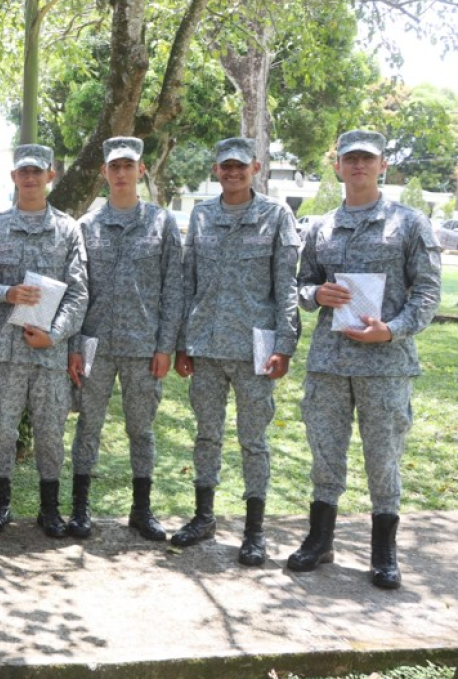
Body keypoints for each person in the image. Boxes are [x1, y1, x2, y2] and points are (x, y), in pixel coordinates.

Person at [287, 130, 442, 588]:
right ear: (337, 166)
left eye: (366, 159)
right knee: (325, 452)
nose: (358, 166)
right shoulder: (320, 226)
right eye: (350, 158)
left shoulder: (409, 223)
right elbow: (301, 284)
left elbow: (429, 291)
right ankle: (320, 540)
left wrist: (392, 329)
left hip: (386, 362)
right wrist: (316, 292)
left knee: (383, 457)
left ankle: (384, 553)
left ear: (382, 166)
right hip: (330, 362)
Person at [173, 137, 300, 566]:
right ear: (216, 170)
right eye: (225, 166)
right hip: (206, 346)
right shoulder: (202, 215)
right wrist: (180, 343)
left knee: (253, 440)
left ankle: (254, 531)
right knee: (207, 435)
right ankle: (204, 517)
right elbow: (186, 282)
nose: (233, 173)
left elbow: (285, 286)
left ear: (256, 167)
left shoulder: (276, 215)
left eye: (240, 166)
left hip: (255, 349)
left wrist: (285, 344)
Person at [67, 137, 183, 542]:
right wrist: (75, 346)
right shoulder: (85, 227)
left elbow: (174, 288)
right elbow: (76, 292)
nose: (120, 173)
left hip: (143, 345)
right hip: (95, 344)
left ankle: (142, 509)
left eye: (127, 166)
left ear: (141, 170)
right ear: (104, 172)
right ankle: (80, 509)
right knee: (89, 426)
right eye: (114, 166)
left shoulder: (162, 223)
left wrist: (166, 346)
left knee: (141, 429)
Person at [0, 143, 88, 538]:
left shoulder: (68, 229)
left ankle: (49, 509)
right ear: (13, 177)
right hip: (6, 353)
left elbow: (78, 293)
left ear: (50, 175)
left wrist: (54, 336)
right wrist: (6, 293)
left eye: (37, 172)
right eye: (23, 171)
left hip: (49, 354)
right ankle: (0, 504)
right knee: (2, 430)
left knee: (50, 432)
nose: (30, 178)